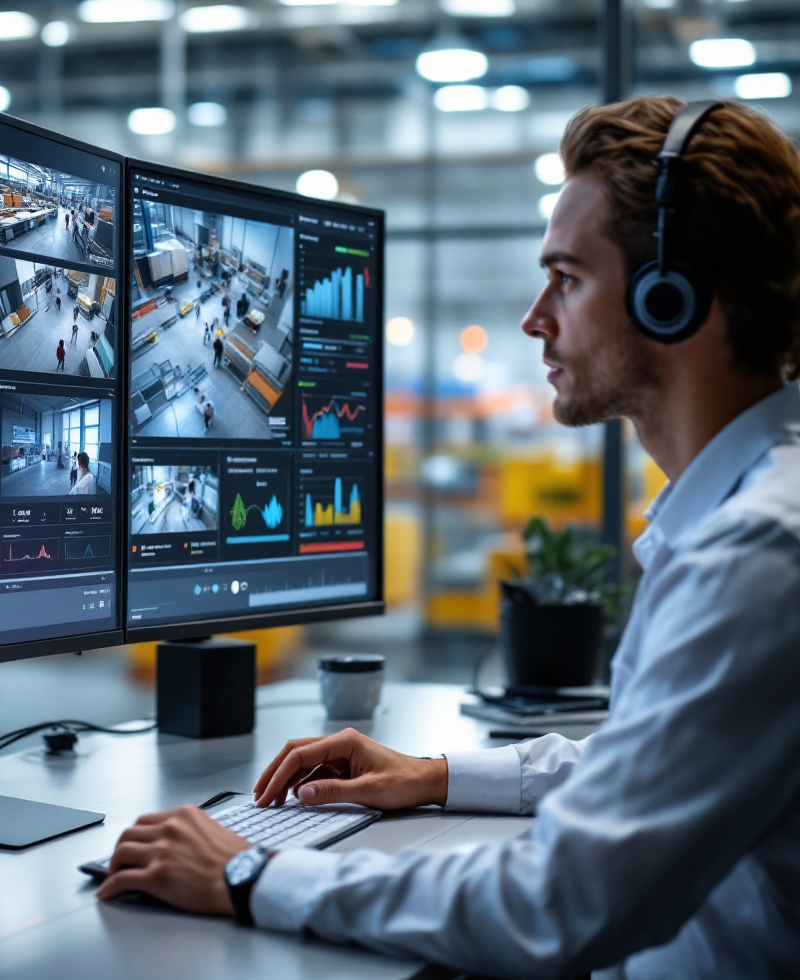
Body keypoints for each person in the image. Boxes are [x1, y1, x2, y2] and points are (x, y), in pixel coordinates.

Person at [97, 97, 800, 977]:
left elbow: (560, 904)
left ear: (672, 300)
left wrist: (251, 872)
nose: (534, 316)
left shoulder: (759, 554)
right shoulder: (753, 508)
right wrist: (432, 775)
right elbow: (646, 764)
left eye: (568, 278)